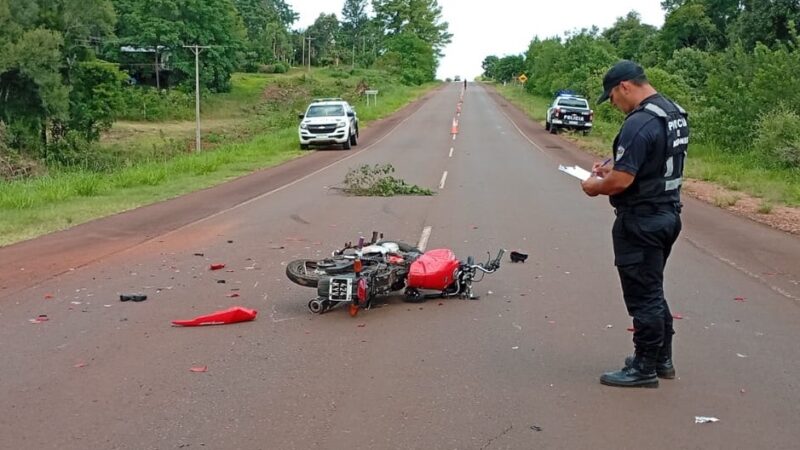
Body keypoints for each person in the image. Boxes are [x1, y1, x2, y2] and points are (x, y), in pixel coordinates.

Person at [581, 60, 688, 388]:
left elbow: (621, 182)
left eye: (612, 96)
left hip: (641, 220)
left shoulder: (638, 122)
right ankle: (661, 359)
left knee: (643, 295)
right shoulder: (673, 112)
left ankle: (644, 367)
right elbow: (651, 158)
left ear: (625, 86)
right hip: (668, 213)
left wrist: (594, 186)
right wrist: (612, 165)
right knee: (653, 288)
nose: (613, 103)